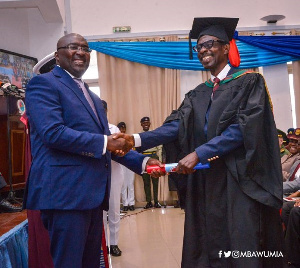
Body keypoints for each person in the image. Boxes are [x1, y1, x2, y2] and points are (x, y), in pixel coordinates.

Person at [117, 17, 283, 267]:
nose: (204, 49)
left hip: (237, 178)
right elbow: (175, 126)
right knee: (206, 240)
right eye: (199, 46)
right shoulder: (198, 93)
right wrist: (136, 139)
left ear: (226, 47)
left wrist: (199, 153)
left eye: (210, 43)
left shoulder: (249, 82)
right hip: (204, 180)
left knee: (240, 239)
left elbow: (243, 128)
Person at [24, 33, 160, 268]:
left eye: (85, 49)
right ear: (58, 56)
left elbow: (106, 142)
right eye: (72, 47)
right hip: (65, 196)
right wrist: (107, 143)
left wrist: (143, 163)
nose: (80, 52)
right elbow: (53, 133)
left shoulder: (92, 97)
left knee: (89, 263)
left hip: (92, 197)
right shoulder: (43, 84)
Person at [102, 101, 124, 257]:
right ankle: (102, 243)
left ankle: (114, 243)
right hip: (97, 174)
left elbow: (118, 149)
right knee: (100, 213)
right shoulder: (90, 128)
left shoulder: (113, 129)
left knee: (114, 208)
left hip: (114, 173)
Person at [140, 117, 162, 209]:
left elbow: (159, 147)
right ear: (141, 124)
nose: (146, 124)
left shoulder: (154, 134)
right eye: (144, 123)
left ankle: (156, 202)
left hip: (154, 157)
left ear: (150, 124)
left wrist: (159, 159)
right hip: (144, 158)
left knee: (155, 181)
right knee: (146, 182)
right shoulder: (139, 136)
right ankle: (149, 202)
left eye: (147, 122)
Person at [118, 122, 136, 211]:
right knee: (123, 184)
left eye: (124, 128)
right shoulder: (116, 139)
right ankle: (125, 204)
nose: (122, 130)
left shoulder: (129, 138)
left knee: (130, 183)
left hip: (130, 162)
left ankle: (131, 203)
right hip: (121, 163)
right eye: (121, 128)